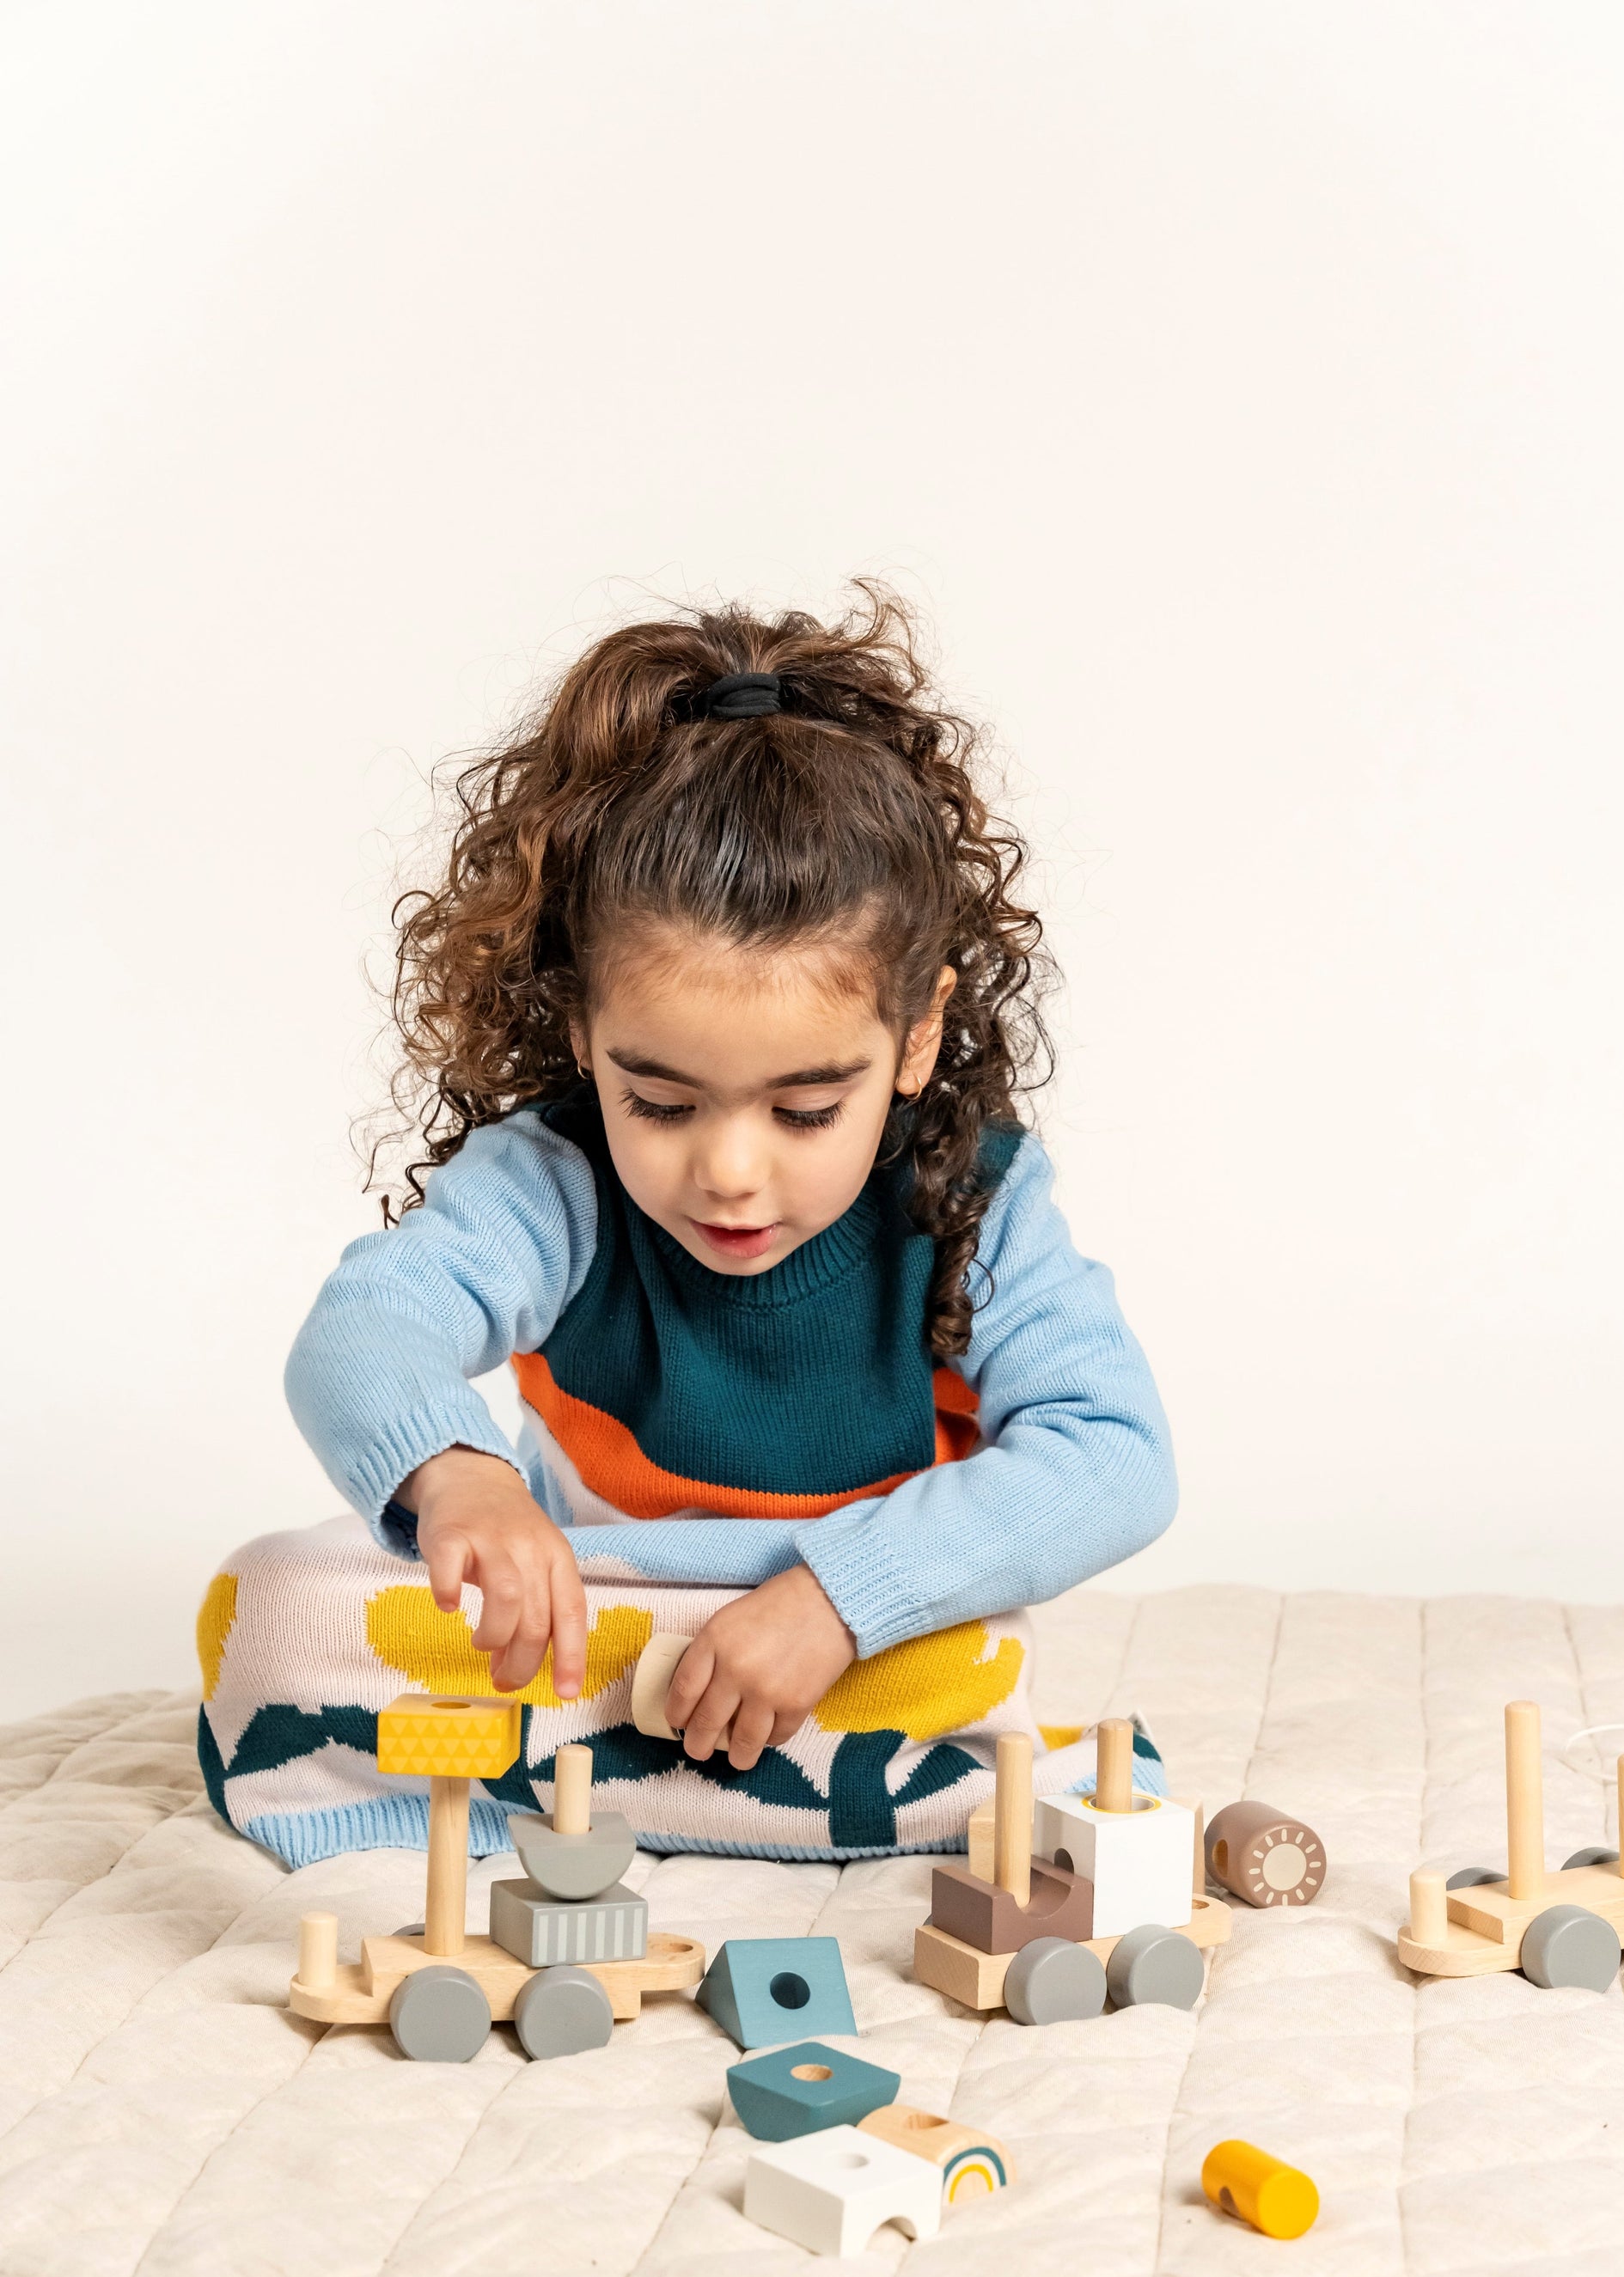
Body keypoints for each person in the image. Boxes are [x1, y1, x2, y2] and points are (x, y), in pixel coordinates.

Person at [196, 589, 1175, 1866]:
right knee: (264, 1603)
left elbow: (1115, 1454)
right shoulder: (552, 1181)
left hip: (843, 1650)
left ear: (919, 1036)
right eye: (659, 1100)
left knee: (975, 1674)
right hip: (590, 1632)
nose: (728, 1173)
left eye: (806, 1109)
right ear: (584, 1034)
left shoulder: (971, 1198)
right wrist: (461, 1479)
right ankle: (701, 1793)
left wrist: (839, 1600)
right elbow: (362, 1331)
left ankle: (564, 1799)